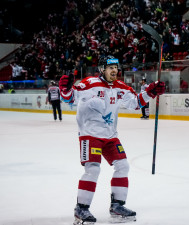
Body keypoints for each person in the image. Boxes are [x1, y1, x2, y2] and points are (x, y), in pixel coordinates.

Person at [59, 55, 165, 225]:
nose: (114, 70)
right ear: (102, 69)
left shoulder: (120, 87)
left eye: (116, 67)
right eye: (110, 68)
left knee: (123, 166)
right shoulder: (89, 83)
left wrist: (151, 92)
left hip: (110, 136)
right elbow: (70, 97)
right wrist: (65, 89)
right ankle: (81, 209)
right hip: (90, 134)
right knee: (93, 169)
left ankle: (117, 206)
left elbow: (136, 103)